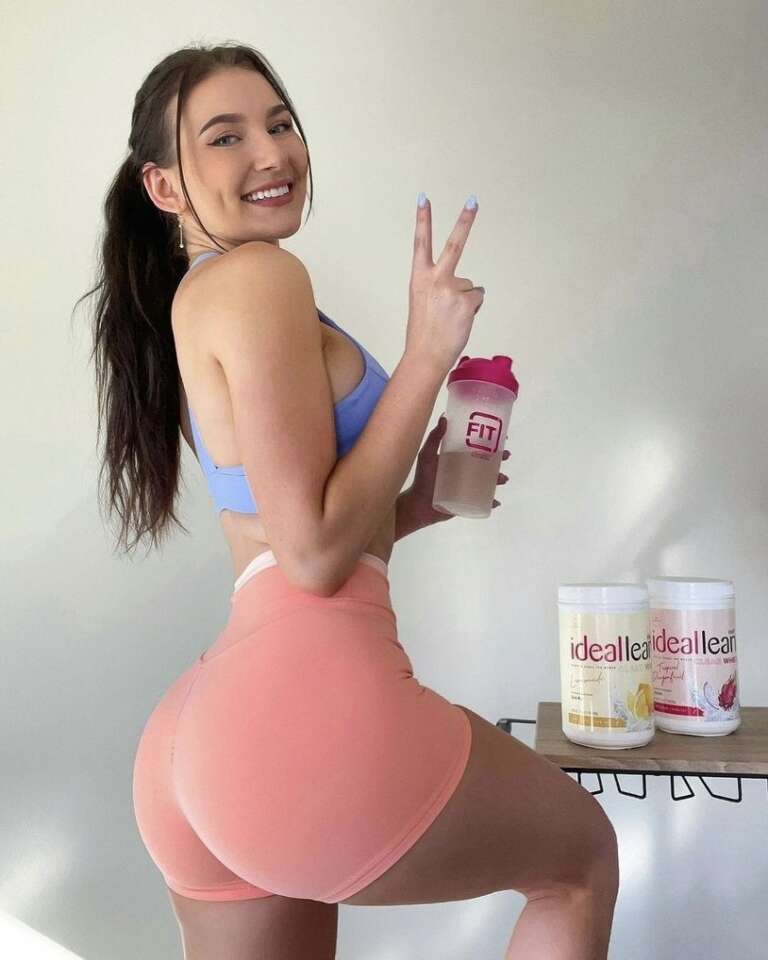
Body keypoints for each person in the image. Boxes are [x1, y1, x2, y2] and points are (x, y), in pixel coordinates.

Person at [80, 42, 619, 960]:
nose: (272, 152)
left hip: (201, 741)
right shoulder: (260, 278)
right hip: (303, 714)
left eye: (280, 123)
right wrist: (426, 356)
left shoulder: (204, 295)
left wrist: (410, 507)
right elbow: (315, 555)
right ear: (164, 187)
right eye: (226, 136)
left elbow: (290, 533)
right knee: (581, 860)